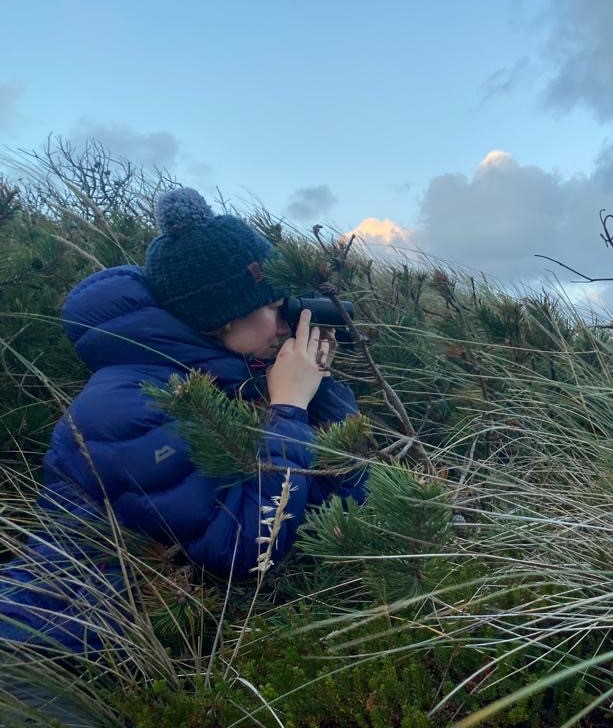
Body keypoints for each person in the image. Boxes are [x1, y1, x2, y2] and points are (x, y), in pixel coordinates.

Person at [0, 187, 367, 668]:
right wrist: (290, 409)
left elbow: (331, 509)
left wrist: (321, 397)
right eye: (276, 306)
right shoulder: (123, 406)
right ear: (221, 318)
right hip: (50, 652)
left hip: (143, 651)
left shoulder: (231, 380)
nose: (287, 322)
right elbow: (244, 550)